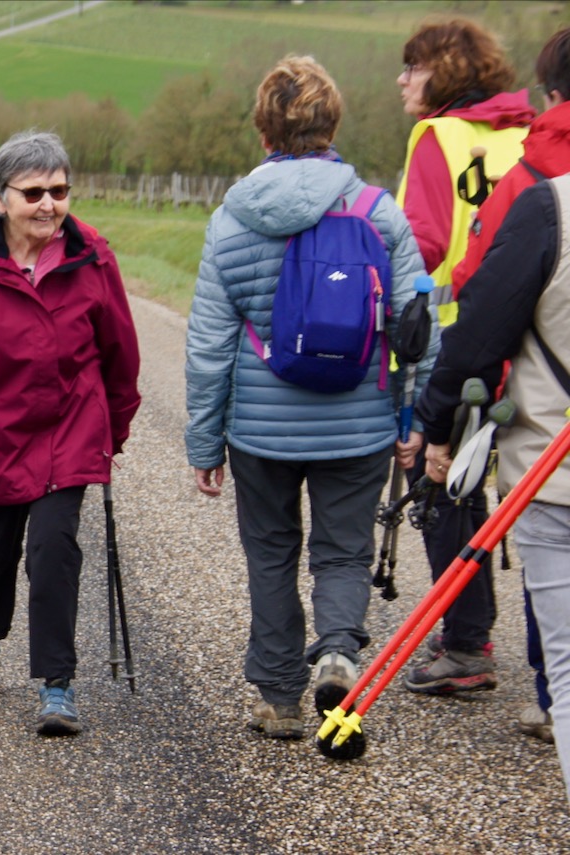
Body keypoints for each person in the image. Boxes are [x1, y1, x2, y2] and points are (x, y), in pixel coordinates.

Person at [185, 56, 434, 740]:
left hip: (260, 431)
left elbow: (208, 345)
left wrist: (204, 442)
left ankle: (278, 695)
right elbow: (418, 324)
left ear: (263, 128)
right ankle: (337, 650)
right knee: (343, 552)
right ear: (333, 123)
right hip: (359, 425)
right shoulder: (378, 213)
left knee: (270, 552)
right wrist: (414, 418)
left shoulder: (232, 219)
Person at [0, 131, 141, 736]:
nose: (49, 204)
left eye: (59, 191)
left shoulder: (93, 257)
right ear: (1, 198)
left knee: (54, 548)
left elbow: (120, 353)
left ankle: (57, 683)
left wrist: (110, 430)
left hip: (70, 426)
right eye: (34, 192)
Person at [414, 172, 570, 809]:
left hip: (556, 478)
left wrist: (438, 423)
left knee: (567, 668)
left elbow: (478, 333)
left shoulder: (550, 206)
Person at [395, 18, 536, 695]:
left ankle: (466, 642)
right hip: (533, 339)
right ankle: (544, 663)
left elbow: (420, 242)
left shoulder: (437, 136)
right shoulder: (524, 132)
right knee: (527, 489)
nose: (402, 80)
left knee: (444, 479)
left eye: (412, 67)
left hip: (455, 335)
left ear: (442, 72)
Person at [446, 28, 570, 743]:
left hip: (550, 458)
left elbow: (476, 293)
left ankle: (547, 689)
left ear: (552, 93)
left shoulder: (533, 186)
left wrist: (441, 419)